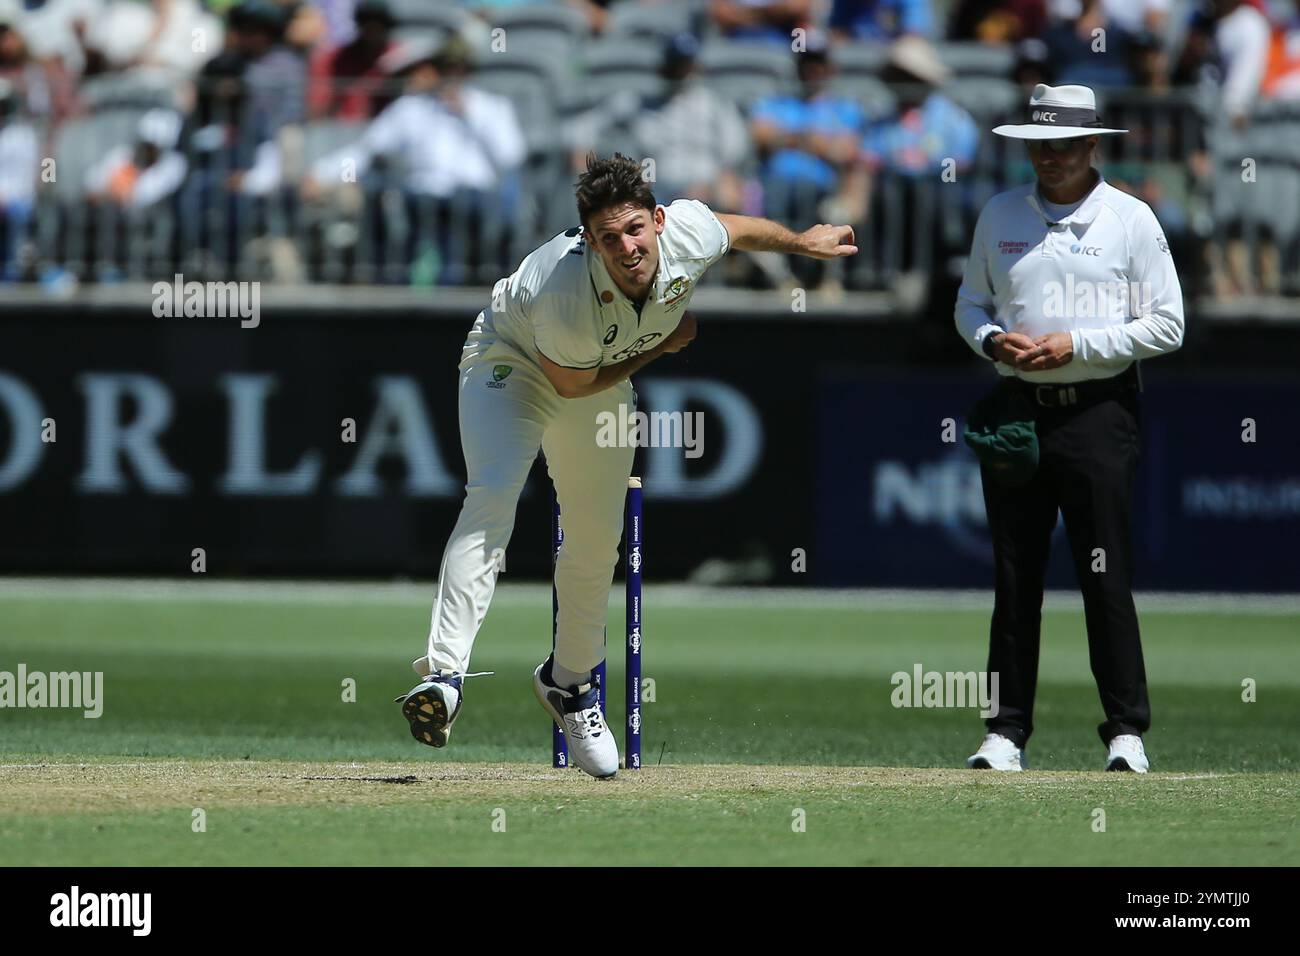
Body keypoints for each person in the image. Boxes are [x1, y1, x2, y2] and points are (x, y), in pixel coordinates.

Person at [396, 153, 857, 778]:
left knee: (595, 536)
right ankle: (445, 676)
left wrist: (804, 241)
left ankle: (569, 685)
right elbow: (572, 383)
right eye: (609, 238)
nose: (627, 247)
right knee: (494, 493)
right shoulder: (565, 294)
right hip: (514, 361)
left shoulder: (688, 232)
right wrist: (664, 345)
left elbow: (739, 227)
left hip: (595, 374)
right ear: (590, 242)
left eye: (635, 230)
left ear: (659, 221)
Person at [954, 84, 1184, 774]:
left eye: (1063, 146)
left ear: (1092, 146)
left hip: (1098, 413)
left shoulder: (1131, 218)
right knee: (1013, 574)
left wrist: (1076, 348)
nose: (1050, 159)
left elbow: (1168, 325)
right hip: (1019, 412)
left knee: (1102, 571)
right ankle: (1005, 732)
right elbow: (970, 303)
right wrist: (993, 340)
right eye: (1039, 146)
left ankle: (1125, 732)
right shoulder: (1000, 213)